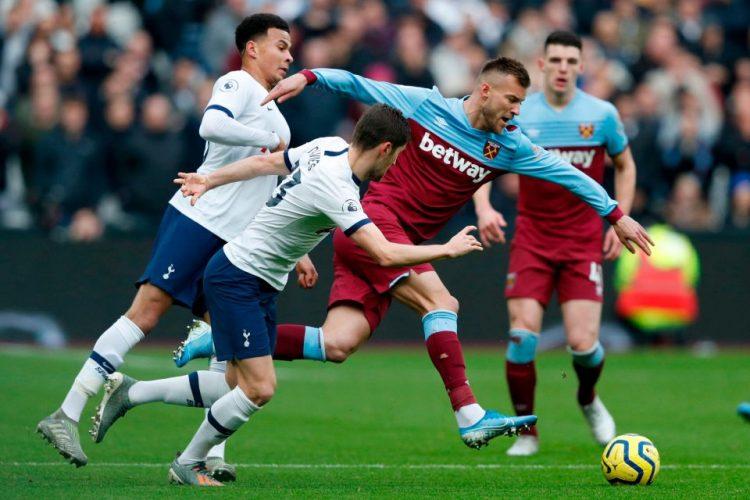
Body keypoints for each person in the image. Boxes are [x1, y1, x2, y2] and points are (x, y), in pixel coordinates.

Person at [175, 56, 653, 450]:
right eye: (512, 100)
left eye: (521, 104)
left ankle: (220, 340)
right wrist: (311, 77)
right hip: (374, 224)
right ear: (485, 91)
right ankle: (469, 413)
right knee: (441, 302)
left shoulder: (510, 147)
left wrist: (616, 215)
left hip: (386, 244)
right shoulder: (427, 105)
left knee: (337, 344)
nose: (516, 111)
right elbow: (359, 83)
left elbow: (569, 176)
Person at [96, 104, 510, 486]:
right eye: (398, 156)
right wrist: (446, 249)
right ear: (385, 148)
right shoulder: (341, 190)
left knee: (233, 386)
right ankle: (188, 462)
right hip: (237, 278)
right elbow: (383, 253)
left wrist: (211, 179)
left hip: (258, 281)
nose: (397, 164)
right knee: (260, 388)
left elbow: (267, 163)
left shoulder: (329, 147)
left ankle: (131, 393)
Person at [36, 15, 303, 481]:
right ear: (252, 48)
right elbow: (211, 125)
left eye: (290, 48)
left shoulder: (277, 114)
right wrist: (263, 139)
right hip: (199, 219)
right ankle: (66, 412)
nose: (289, 55)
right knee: (146, 312)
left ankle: (207, 454)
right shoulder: (237, 83)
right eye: (280, 45)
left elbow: (267, 184)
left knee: (230, 357)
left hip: (235, 240)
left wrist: (296, 248)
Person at [473, 31, 637, 456]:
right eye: (556, 60)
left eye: (571, 61)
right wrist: (484, 207)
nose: (563, 67)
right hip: (533, 238)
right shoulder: (520, 112)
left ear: (581, 67)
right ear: (542, 65)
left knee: (583, 346)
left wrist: (618, 220)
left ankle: (588, 398)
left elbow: (625, 164)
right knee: (521, 336)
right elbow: (484, 156)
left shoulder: (601, 115)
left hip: (583, 241)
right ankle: (527, 432)